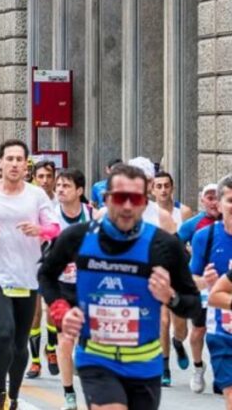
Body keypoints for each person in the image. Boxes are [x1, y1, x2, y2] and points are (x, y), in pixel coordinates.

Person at [39, 163, 203, 410]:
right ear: (106, 200)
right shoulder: (78, 237)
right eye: (120, 197)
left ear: (145, 203)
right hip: (96, 358)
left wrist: (170, 297)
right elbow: (46, 275)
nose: (127, 206)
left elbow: (192, 304)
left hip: (145, 363)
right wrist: (61, 309)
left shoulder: (164, 245)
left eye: (135, 198)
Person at [0, 139, 59, 410]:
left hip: (27, 276)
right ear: (1, 162)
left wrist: (40, 231)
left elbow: (54, 227)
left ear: (26, 165)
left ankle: (14, 397)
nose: (15, 164)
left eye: (20, 159)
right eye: (10, 159)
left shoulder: (36, 195)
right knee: (4, 333)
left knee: (20, 344)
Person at [49, 168, 94, 410]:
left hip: (88, 288)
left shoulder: (91, 214)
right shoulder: (51, 216)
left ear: (79, 190)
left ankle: (91, 386)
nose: (60, 190)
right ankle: (68, 392)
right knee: (66, 341)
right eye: (59, 186)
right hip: (62, 287)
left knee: (88, 344)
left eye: (66, 186)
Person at [180, 183, 223, 393]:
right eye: (210, 197)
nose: (214, 202)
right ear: (202, 200)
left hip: (227, 292)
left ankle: (221, 375)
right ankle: (198, 367)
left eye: (218, 197)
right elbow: (175, 244)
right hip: (205, 289)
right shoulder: (196, 227)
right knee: (198, 332)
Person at [192, 176, 232, 399]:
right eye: (231, 200)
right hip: (222, 329)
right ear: (218, 203)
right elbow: (190, 280)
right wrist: (206, 283)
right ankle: (198, 367)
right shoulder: (205, 237)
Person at [153, 171, 190, 386]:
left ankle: (178, 343)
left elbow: (187, 242)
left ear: (172, 188)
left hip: (178, 274)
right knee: (163, 321)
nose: (163, 190)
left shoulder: (183, 211)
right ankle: (164, 368)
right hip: (157, 274)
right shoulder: (149, 213)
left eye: (166, 185)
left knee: (180, 326)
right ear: (152, 190)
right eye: (158, 186)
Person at [26, 159, 59, 379]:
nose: (45, 181)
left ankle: (52, 350)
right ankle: (35, 361)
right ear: (35, 179)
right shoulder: (28, 201)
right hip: (32, 261)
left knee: (53, 312)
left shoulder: (61, 200)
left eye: (49, 176)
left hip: (56, 262)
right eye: (41, 177)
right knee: (35, 313)